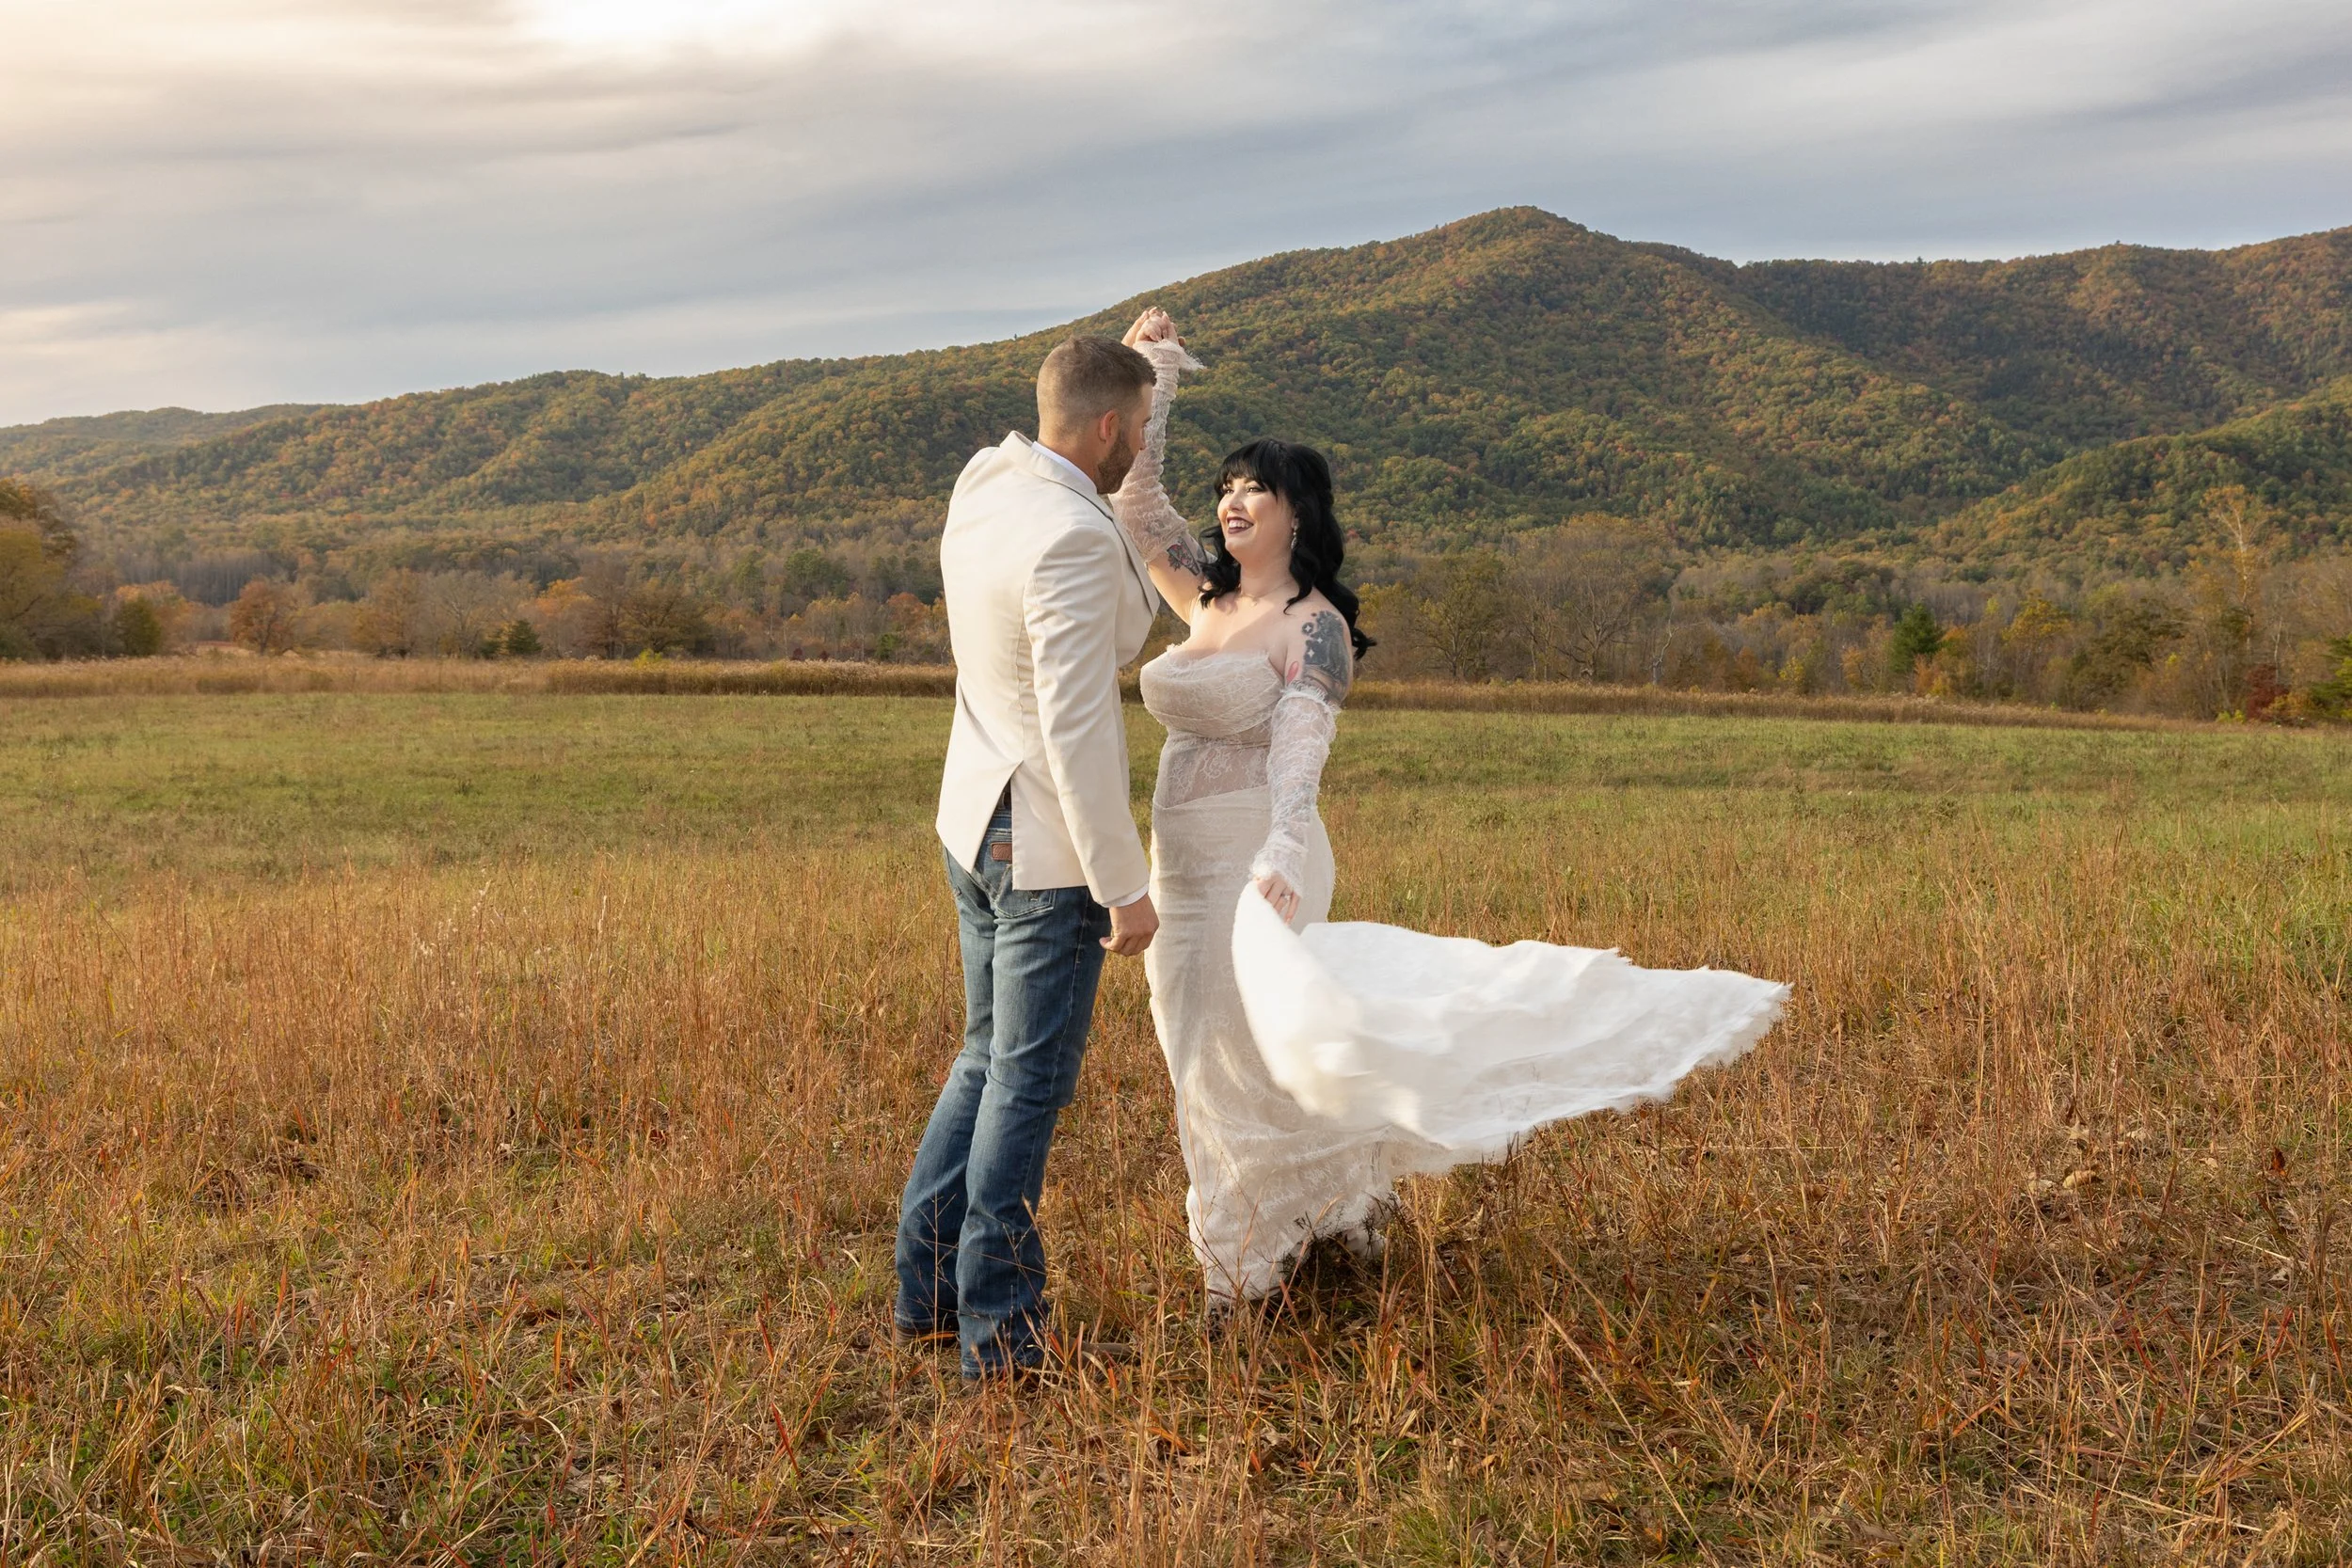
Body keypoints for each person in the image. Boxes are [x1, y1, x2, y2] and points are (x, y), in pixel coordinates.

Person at [1111, 308, 1791, 1311]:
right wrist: (1152, 374)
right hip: (1178, 864)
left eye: (1256, 487)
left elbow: (1302, 748)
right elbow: (1134, 498)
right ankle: (1328, 1217)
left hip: (1259, 858)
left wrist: (1285, 845)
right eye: (1227, 487)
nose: (1233, 501)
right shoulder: (1203, 596)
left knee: (1246, 1054)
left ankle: (1242, 1271)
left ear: (1299, 513)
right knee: (1199, 1052)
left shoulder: (1314, 625)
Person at [894, 332, 1163, 1382]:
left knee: (984, 1058)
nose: (1142, 448)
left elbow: (1095, 441)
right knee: (1027, 1084)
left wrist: (1142, 378)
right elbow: (1078, 725)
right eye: (1139, 431)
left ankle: (928, 1289)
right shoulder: (1073, 539)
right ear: (1110, 428)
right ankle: (1001, 1333)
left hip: (970, 817)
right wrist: (1122, 883)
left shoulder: (986, 481)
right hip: (1041, 845)